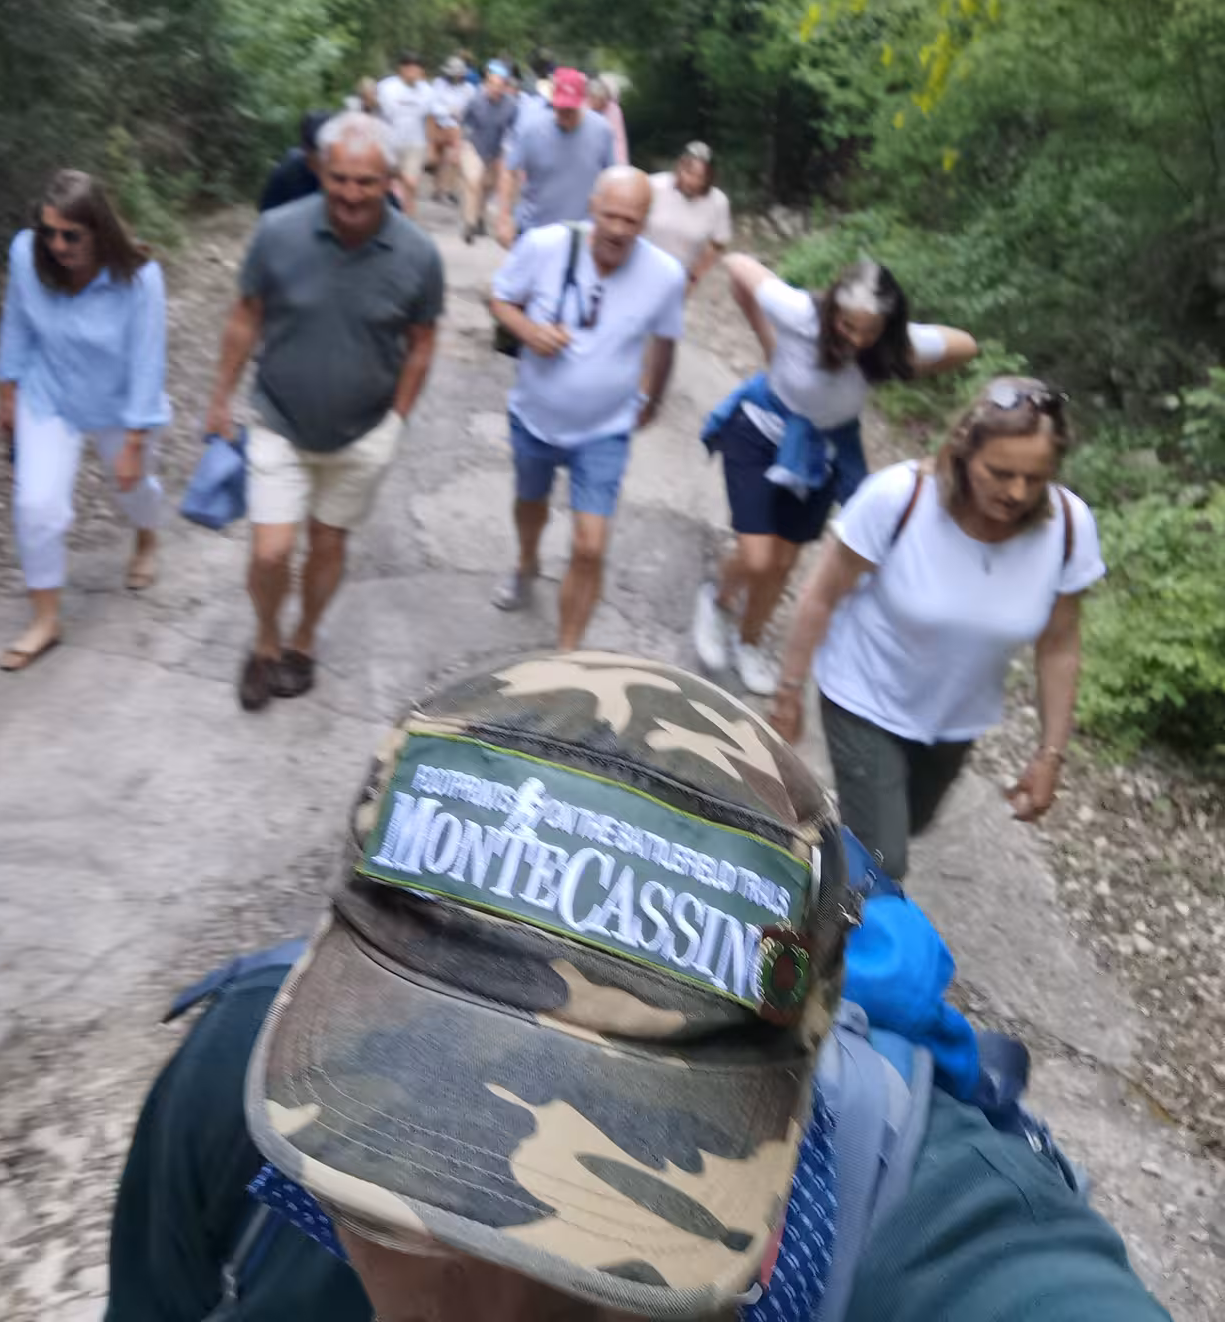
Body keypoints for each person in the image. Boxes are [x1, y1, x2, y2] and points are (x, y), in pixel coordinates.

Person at [103, 653, 1171, 1322]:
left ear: (791, 1096)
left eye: (619, 1249)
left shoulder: (939, 1247)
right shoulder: (238, 1082)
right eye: (398, 1211)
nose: (489, 1311)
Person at [772, 377, 1106, 879]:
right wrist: (789, 689)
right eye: (1000, 472)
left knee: (910, 822)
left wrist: (1050, 755)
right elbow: (821, 595)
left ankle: (827, 850)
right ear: (963, 450)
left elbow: (1059, 646)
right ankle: (821, 943)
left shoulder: (1069, 527)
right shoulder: (899, 498)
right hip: (864, 695)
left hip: (955, 720)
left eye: (1035, 478)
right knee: (886, 863)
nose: (1017, 492)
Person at [204, 115, 444, 710]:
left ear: (389, 177)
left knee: (328, 543)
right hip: (278, 419)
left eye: (366, 181)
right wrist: (220, 398)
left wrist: (397, 422)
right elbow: (245, 316)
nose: (351, 193)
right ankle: (264, 643)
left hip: (363, 432)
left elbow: (422, 343)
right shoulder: (277, 232)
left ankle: (303, 641)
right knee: (271, 551)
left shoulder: (418, 255)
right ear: (319, 170)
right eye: (339, 178)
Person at [694, 256, 977, 696]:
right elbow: (737, 266)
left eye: (870, 331)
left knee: (784, 562)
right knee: (758, 557)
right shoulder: (797, 312)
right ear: (831, 312)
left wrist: (903, 360)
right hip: (760, 431)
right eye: (848, 327)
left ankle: (749, 641)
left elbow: (966, 345)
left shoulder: (891, 344)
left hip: (822, 452)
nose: (858, 340)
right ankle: (718, 601)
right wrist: (765, 335)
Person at [489, 167, 685, 649]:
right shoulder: (544, 246)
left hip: (605, 428)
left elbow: (665, 340)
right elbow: (499, 298)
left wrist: (653, 398)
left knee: (590, 545)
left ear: (646, 221)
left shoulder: (665, 275)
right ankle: (526, 562)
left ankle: (567, 652)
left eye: (632, 220)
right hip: (535, 416)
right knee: (529, 505)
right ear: (592, 208)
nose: (619, 229)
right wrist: (529, 331)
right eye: (611, 216)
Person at [0, 170, 169, 672]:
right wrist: (7, 393)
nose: (58, 245)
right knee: (36, 503)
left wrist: (135, 437)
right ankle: (46, 619)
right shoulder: (27, 255)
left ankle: (147, 536)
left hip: (118, 403)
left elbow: (146, 361)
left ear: (99, 230)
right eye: (49, 232)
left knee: (132, 489)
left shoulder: (139, 278)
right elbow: (17, 323)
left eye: (72, 235)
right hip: (49, 395)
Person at [496, 66, 615, 249]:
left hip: (580, 236)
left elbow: (611, 180)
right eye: (560, 108)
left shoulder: (602, 131)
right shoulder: (531, 130)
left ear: (582, 101)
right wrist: (504, 218)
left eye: (570, 109)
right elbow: (509, 171)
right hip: (534, 231)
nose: (565, 114)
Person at [646, 141, 732, 290]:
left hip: (677, 279)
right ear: (679, 167)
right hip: (643, 269)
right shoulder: (653, 185)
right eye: (689, 173)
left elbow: (717, 244)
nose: (694, 181)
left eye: (701, 177)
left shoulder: (718, 201)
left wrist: (693, 278)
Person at [459, 58, 517, 243]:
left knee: (487, 186)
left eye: (499, 85)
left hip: (494, 150)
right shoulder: (475, 100)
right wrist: (461, 143)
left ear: (505, 86)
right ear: (486, 83)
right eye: (491, 84)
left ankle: (480, 217)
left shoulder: (511, 106)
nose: (495, 88)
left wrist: (508, 152)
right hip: (473, 145)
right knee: (473, 181)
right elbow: (465, 121)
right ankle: (469, 224)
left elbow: (514, 130)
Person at [375, 52, 435, 215]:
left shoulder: (427, 91)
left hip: (415, 144)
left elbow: (429, 118)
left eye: (417, 69)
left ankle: (409, 219)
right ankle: (384, 214)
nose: (414, 73)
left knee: (411, 183)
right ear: (402, 69)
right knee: (387, 182)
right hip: (389, 143)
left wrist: (431, 146)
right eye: (410, 69)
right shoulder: (386, 88)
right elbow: (375, 113)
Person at [257, 109, 332, 214]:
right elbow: (267, 218)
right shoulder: (285, 174)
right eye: (319, 154)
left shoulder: (348, 173)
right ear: (306, 149)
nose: (325, 160)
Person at [429, 55, 473, 203]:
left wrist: (461, 114)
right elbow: (433, 105)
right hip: (439, 124)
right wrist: (449, 111)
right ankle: (438, 188)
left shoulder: (468, 89)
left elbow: (471, 108)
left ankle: (448, 190)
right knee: (439, 160)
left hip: (457, 127)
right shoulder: (438, 84)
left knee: (453, 159)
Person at [588, 72, 630, 164]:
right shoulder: (584, 109)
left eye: (602, 100)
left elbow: (618, 140)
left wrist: (621, 165)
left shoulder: (613, 110)